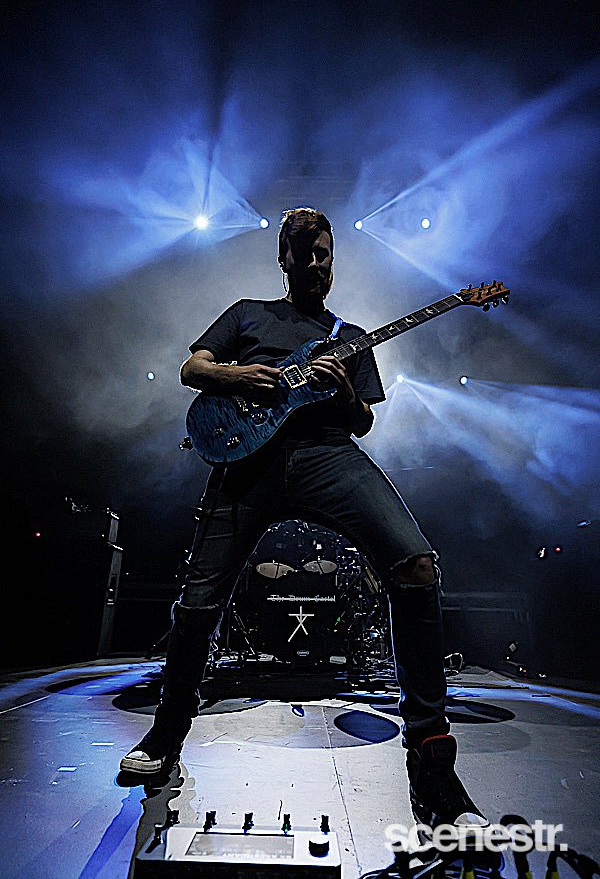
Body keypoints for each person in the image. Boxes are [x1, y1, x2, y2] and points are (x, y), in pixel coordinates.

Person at [120, 207, 488, 833]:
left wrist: (343, 391)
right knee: (198, 602)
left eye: (325, 255)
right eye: (305, 254)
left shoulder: (350, 336)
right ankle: (165, 736)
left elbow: (362, 422)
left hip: (326, 454)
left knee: (417, 567)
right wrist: (242, 375)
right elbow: (192, 368)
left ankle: (431, 762)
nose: (317, 265)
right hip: (249, 462)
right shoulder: (248, 313)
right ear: (284, 259)